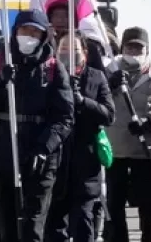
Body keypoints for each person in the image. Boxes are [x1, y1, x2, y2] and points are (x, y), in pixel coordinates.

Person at [0, 9, 75, 242]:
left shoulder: (52, 68)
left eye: (35, 32)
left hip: (38, 159)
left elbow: (64, 117)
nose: (29, 36)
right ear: (15, 32)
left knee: (32, 226)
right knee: (6, 225)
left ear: (43, 37)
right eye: (24, 30)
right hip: (2, 153)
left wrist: (44, 148)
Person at [104, 27, 151, 242]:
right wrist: (110, 85)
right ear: (122, 47)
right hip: (115, 148)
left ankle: (148, 235)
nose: (133, 51)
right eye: (129, 46)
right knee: (115, 200)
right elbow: (98, 98)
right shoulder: (109, 70)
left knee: (147, 199)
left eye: (138, 47)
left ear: (147, 48)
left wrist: (150, 121)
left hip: (145, 149)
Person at [47, 32, 115, 242]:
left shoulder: (96, 77)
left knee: (83, 222)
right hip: (56, 160)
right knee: (54, 224)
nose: (68, 54)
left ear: (84, 53)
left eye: (73, 49)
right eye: (63, 49)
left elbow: (108, 115)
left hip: (86, 161)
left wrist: (82, 101)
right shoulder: (48, 75)